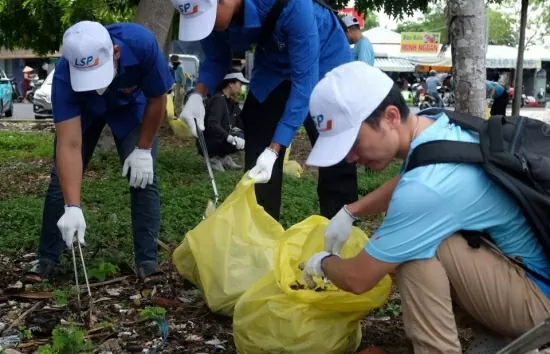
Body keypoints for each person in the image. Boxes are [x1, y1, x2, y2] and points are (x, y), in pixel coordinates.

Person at [301, 62, 550, 353]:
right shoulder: (435, 123)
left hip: (539, 307)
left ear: (391, 116)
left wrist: (321, 263)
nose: (350, 158)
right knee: (411, 240)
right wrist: (352, 211)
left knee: (413, 253)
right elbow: (413, 179)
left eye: (353, 142)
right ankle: (493, 329)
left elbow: (358, 278)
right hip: (527, 275)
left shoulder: (425, 190)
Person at [170, 0, 358, 221]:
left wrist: (275, 149)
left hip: (325, 58)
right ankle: (260, 234)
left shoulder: (295, 5)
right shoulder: (211, 17)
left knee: (334, 145)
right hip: (273, 64)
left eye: (207, 18)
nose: (206, 27)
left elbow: (303, 85)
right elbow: (216, 58)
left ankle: (340, 229)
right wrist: (197, 95)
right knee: (259, 144)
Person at [24, 21, 174, 285]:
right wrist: (72, 206)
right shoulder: (63, 77)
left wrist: (143, 148)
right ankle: (48, 258)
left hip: (130, 109)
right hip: (86, 113)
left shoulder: (141, 45)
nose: (97, 86)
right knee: (60, 181)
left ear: (115, 53)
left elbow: (157, 98)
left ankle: (148, 263)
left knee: (143, 178)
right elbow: (69, 144)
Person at [198, 70, 248, 172]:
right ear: (230, 84)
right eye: (240, 84)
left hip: (221, 138)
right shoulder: (218, 100)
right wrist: (229, 138)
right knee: (238, 137)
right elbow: (212, 125)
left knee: (245, 135)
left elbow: (241, 121)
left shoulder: (232, 101)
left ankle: (223, 157)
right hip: (210, 141)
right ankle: (214, 158)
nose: (241, 87)